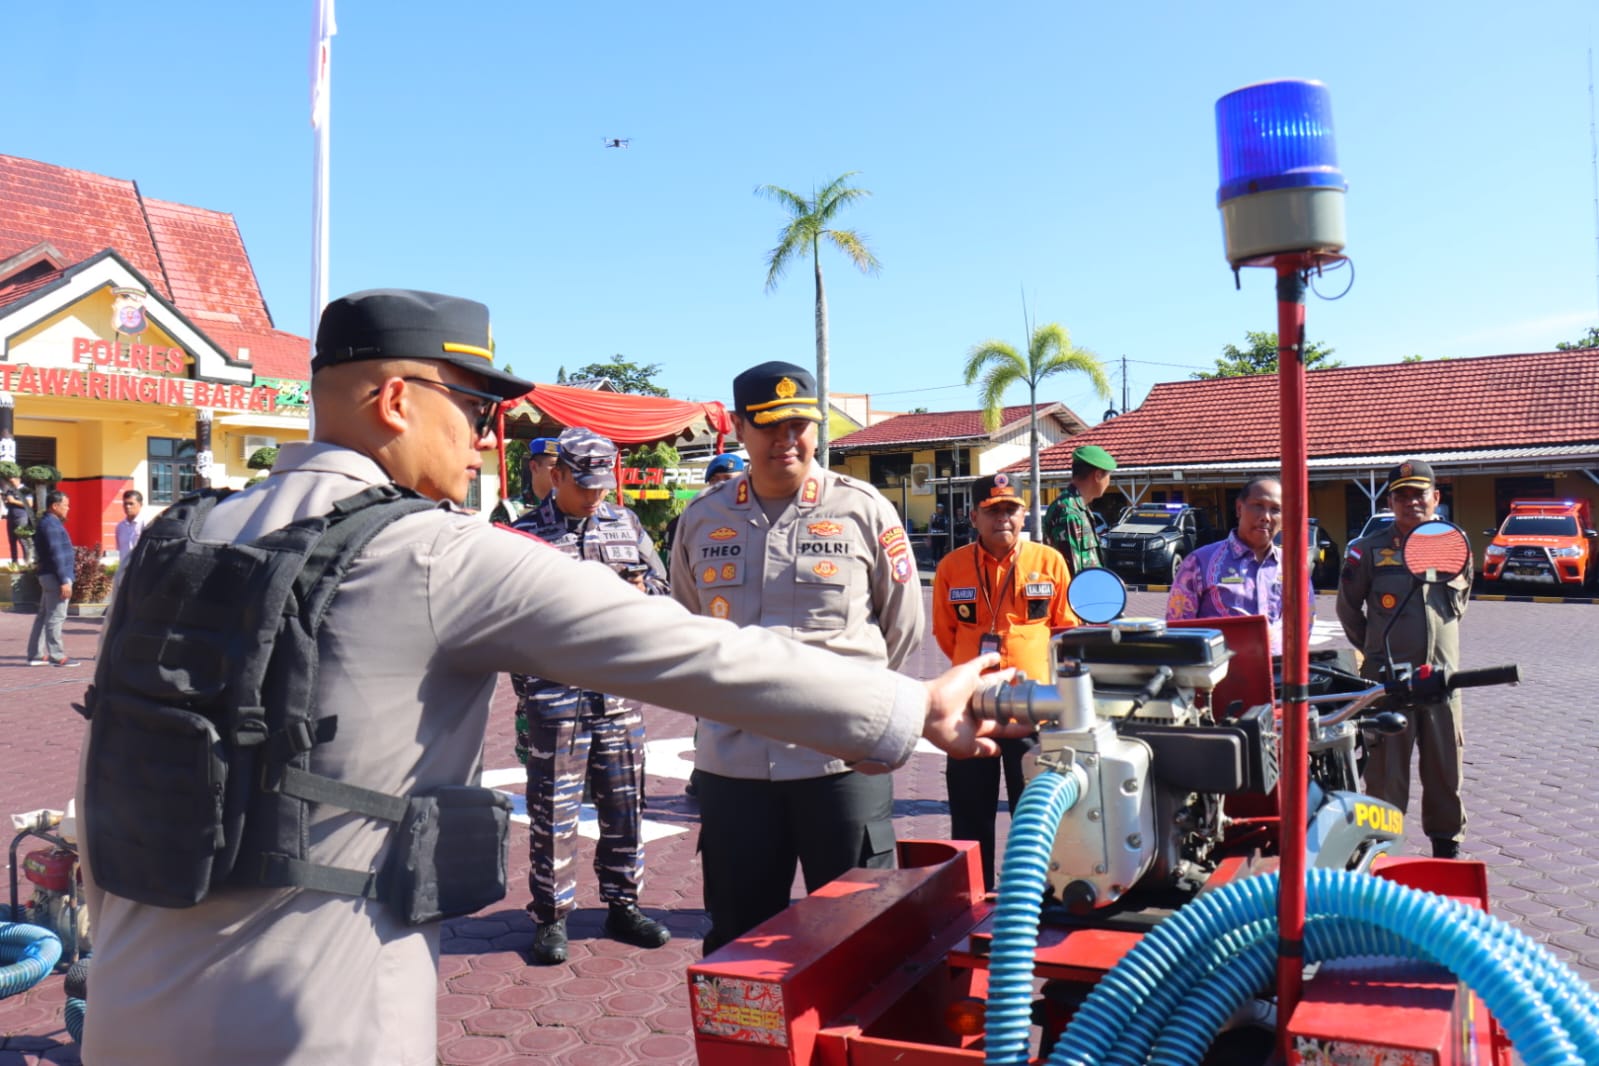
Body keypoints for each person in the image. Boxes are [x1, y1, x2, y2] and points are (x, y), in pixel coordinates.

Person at [76, 289, 1018, 1066]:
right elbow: (689, 647)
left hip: (129, 1004)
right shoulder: (433, 552)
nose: (490, 435)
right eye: (477, 408)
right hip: (314, 1016)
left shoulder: (174, 539)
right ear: (399, 402)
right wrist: (914, 705)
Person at [669, 360, 925, 955]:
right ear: (738, 427)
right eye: (769, 425)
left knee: (862, 937)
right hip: (734, 770)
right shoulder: (702, 518)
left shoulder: (863, 510)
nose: (787, 438)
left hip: (840, 766)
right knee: (739, 940)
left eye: (799, 424)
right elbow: (684, 628)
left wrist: (858, 714)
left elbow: (904, 627)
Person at [510, 427, 672, 966]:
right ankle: (551, 916)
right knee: (552, 813)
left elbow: (664, 591)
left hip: (620, 697)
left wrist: (639, 593)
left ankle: (623, 905)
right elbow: (505, 621)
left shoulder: (625, 524)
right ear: (555, 475)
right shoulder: (524, 535)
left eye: (604, 484)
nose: (597, 494)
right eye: (585, 485)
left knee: (627, 807)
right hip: (554, 699)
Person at [932, 473, 1076, 889]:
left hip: (1034, 708)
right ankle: (972, 891)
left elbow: (1064, 629)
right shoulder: (951, 566)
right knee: (969, 807)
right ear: (974, 516)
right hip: (971, 708)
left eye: (1011, 510)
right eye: (993, 512)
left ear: (1024, 513)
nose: (1003, 520)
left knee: (1036, 810)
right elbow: (946, 634)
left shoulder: (1049, 562)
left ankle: (1037, 892)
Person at [1335, 459, 1471, 860]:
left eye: (1419, 493)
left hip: (1445, 683)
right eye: (1402, 494)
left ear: (1436, 498)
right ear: (1390, 501)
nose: (1411, 501)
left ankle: (1447, 850)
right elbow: (1348, 610)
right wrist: (1376, 651)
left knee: (1447, 771)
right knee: (1385, 775)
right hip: (1390, 683)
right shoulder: (1367, 551)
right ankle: (1381, 854)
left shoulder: (1455, 545)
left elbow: (1458, 605)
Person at [1165, 476, 1309, 657]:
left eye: (1275, 510)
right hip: (1220, 675)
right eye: (1258, 505)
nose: (1265, 517)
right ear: (1239, 508)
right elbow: (1176, 629)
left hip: (1280, 675)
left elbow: (1305, 623)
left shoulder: (1293, 567)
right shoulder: (1199, 562)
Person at [1042, 444, 1117, 575]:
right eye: (1108, 476)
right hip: (1076, 594)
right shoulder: (1069, 512)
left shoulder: (1079, 508)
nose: (1108, 482)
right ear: (1098, 475)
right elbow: (1071, 574)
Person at [27, 490, 77, 668]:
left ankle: (36, 654)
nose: (68, 508)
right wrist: (64, 579)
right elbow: (57, 554)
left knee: (44, 615)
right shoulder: (51, 525)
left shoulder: (49, 523)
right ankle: (56, 655)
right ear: (55, 506)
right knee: (56, 616)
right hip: (55, 577)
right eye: (65, 505)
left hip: (49, 575)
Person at [489, 437, 558, 523]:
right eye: (554, 465)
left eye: (565, 467)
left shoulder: (570, 506)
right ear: (534, 467)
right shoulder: (511, 509)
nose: (561, 472)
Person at [111, 489, 146, 596]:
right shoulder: (120, 527)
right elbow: (120, 550)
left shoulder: (147, 524)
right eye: (125, 504)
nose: (127, 507)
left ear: (140, 505)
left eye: (131, 504)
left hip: (141, 571)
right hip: (123, 572)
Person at [3, 474, 31, 565]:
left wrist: (13, 501)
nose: (11, 484)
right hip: (11, 517)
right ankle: (14, 562)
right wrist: (6, 502)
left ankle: (27, 562)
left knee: (23, 540)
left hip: (21, 517)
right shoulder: (10, 491)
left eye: (12, 482)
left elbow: (30, 504)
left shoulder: (25, 490)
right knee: (12, 540)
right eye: (9, 482)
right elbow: (8, 503)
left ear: (18, 480)